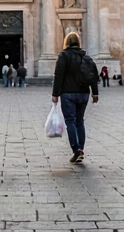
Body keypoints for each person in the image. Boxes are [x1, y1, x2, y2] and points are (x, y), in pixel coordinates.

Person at [52, 31, 98, 164]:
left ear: (66, 42)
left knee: (70, 121)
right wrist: (95, 93)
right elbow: (93, 75)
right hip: (84, 94)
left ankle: (76, 149)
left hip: (68, 93)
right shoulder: (86, 57)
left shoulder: (64, 55)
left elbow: (58, 75)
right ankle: (80, 150)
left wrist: (55, 94)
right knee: (80, 121)